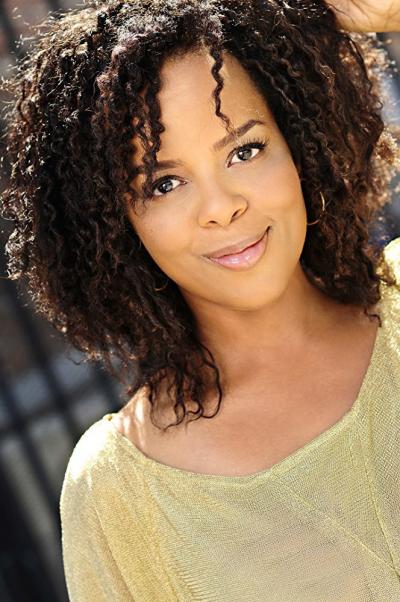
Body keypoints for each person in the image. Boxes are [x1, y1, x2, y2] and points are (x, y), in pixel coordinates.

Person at [1, 0, 400, 599]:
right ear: (114, 221)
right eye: (165, 183)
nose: (221, 207)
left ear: (297, 141)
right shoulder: (123, 490)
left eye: (245, 150)